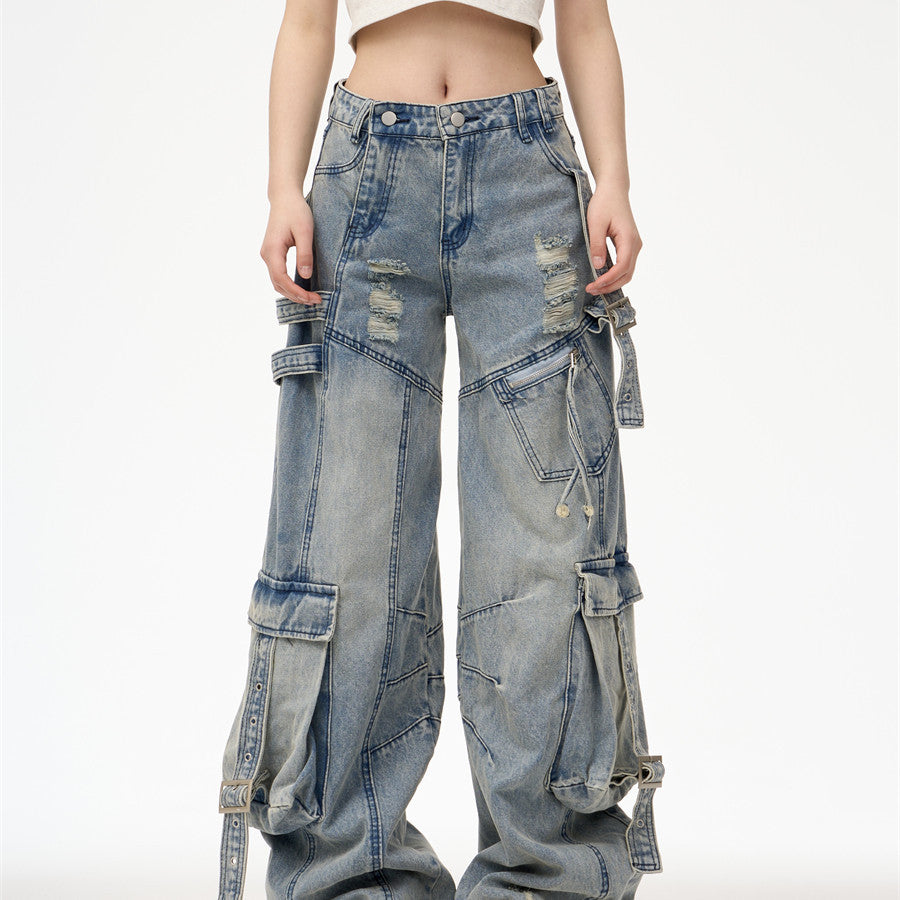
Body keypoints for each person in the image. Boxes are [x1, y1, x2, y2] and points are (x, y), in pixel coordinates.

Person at [217, 1, 666, 897]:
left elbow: (584, 21)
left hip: (526, 180)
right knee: (348, 544)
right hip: (368, 181)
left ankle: (547, 876)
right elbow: (306, 23)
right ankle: (352, 876)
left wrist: (613, 176)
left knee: (545, 545)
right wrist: (282, 189)